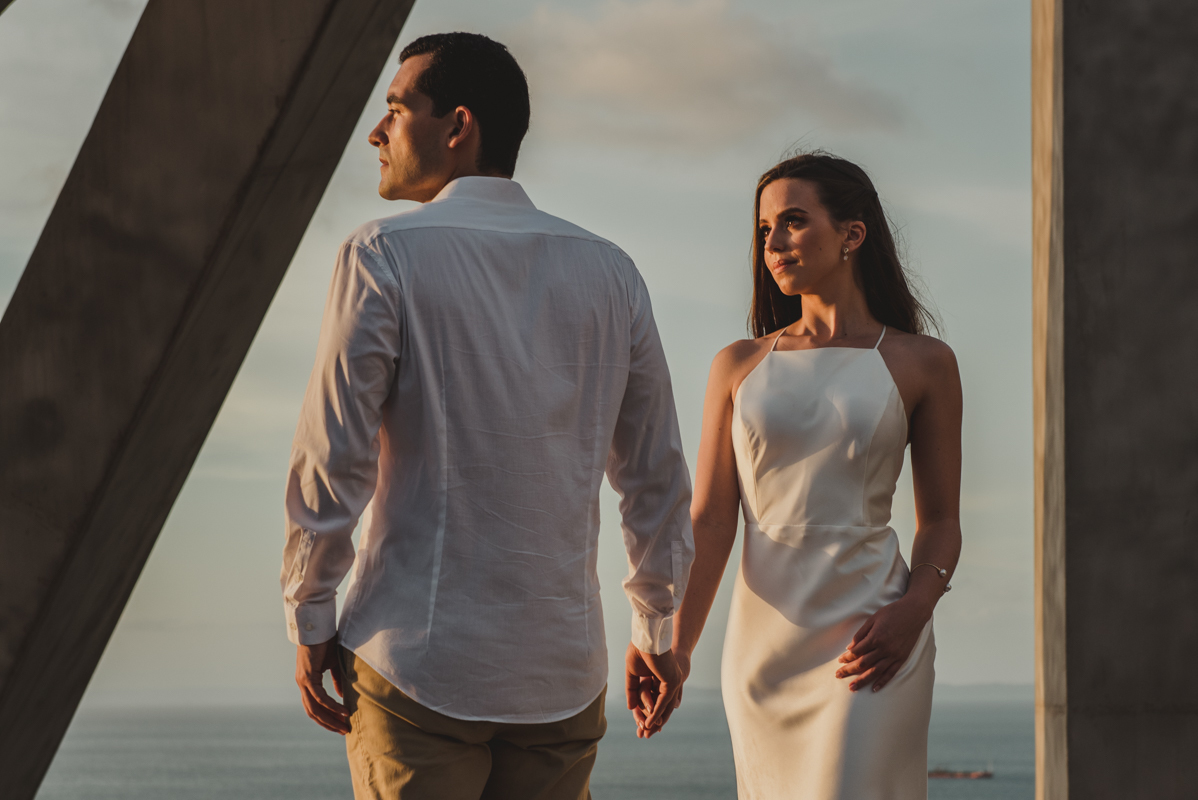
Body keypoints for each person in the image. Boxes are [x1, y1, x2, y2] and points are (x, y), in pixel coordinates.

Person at [279, 32, 693, 800]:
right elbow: (655, 475)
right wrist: (655, 628)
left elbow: (333, 458)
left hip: (416, 665)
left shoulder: (381, 254)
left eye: (396, 109)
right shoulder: (612, 271)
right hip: (563, 676)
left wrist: (310, 614)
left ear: (458, 125)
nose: (376, 132)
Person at [666, 153, 962, 798]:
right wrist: (677, 646)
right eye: (764, 228)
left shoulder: (924, 362)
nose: (772, 242)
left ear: (852, 234)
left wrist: (915, 608)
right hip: (763, 650)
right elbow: (711, 520)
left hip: (873, 635)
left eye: (793, 221)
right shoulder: (737, 365)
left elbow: (941, 521)